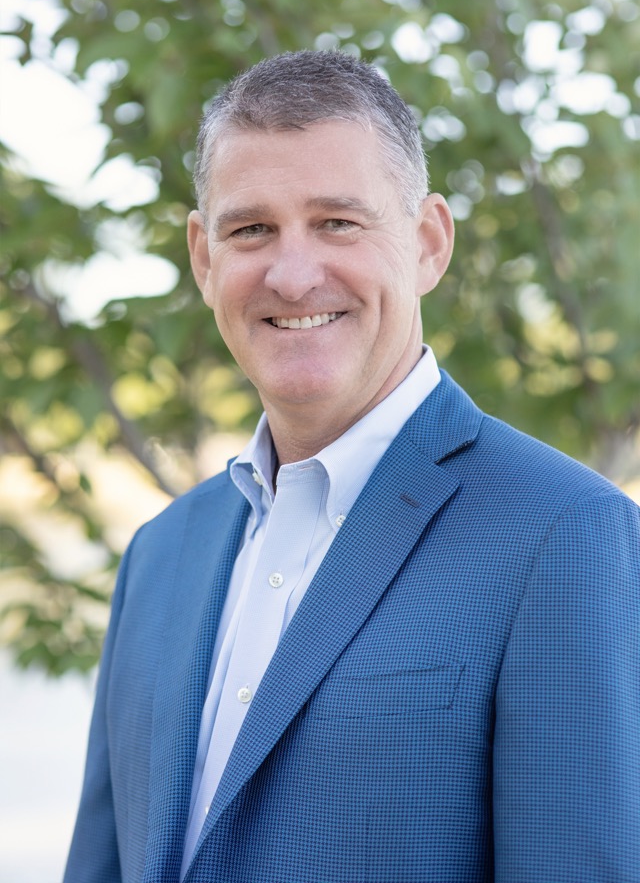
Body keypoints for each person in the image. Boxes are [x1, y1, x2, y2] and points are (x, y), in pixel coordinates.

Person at [64, 50, 640, 883]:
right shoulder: (160, 554)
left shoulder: (564, 534)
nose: (293, 275)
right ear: (203, 257)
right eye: (250, 228)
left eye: (338, 222)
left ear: (427, 242)